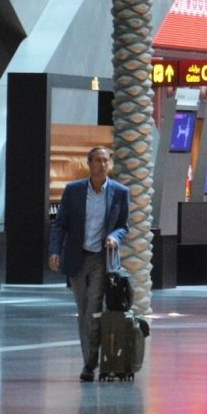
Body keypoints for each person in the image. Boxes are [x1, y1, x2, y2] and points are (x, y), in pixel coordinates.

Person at [48, 145, 132, 381]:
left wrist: (115, 236)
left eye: (106, 161)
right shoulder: (74, 191)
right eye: (98, 160)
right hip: (77, 257)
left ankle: (90, 364)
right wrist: (55, 251)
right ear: (89, 163)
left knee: (93, 309)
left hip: (100, 259)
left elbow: (123, 226)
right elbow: (60, 224)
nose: (102, 165)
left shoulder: (119, 192)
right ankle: (90, 359)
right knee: (83, 310)